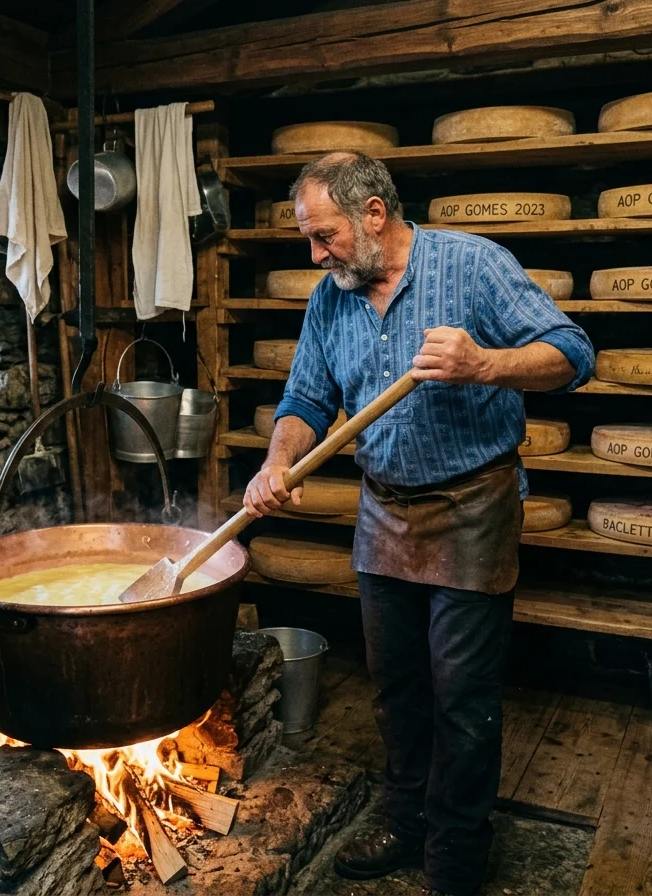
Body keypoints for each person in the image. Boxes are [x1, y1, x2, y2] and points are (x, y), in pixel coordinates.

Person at [243, 152, 594, 896]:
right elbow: (306, 399)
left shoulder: (472, 265)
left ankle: (458, 855)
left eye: (324, 235)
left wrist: (484, 364)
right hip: (384, 507)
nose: (315, 254)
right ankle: (405, 822)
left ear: (374, 213)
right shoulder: (330, 298)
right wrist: (277, 462)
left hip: (472, 504)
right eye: (308, 239)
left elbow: (572, 353)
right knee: (395, 683)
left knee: (461, 693)